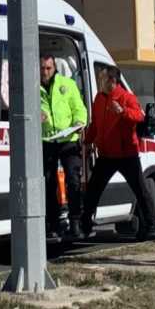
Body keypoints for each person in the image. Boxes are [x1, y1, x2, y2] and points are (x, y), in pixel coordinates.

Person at [80, 65, 155, 241]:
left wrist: (122, 111)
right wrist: (86, 143)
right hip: (106, 154)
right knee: (93, 190)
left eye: (102, 78)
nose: (100, 82)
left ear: (112, 80)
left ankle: (153, 226)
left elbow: (139, 117)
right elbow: (95, 125)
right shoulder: (99, 99)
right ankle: (85, 225)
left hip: (126, 154)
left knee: (140, 190)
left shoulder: (126, 97)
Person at [40, 55, 88, 239]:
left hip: (68, 137)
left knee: (73, 180)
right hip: (47, 140)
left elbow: (80, 108)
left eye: (48, 68)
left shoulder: (67, 84)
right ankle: (53, 223)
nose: (45, 72)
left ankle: (75, 222)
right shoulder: (32, 86)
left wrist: (79, 121)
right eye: (42, 68)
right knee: (48, 182)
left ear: (54, 68)